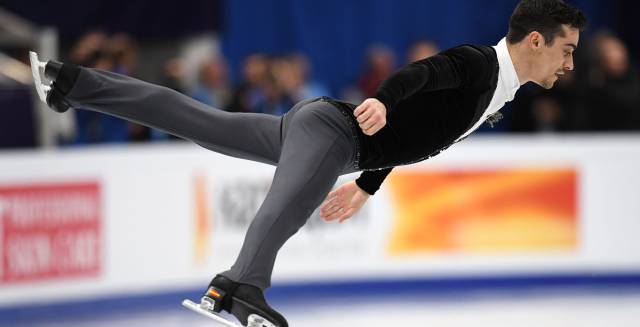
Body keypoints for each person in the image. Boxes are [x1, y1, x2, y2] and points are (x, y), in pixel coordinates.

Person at [29, 1, 586, 326]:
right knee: (287, 203)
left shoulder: (503, 90)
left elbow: (418, 127)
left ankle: (75, 84)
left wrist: (368, 184)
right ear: (535, 40)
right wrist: (384, 100)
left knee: (196, 121)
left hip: (325, 134)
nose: (569, 63)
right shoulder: (477, 64)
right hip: (333, 131)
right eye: (566, 50)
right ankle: (239, 286)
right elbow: (421, 76)